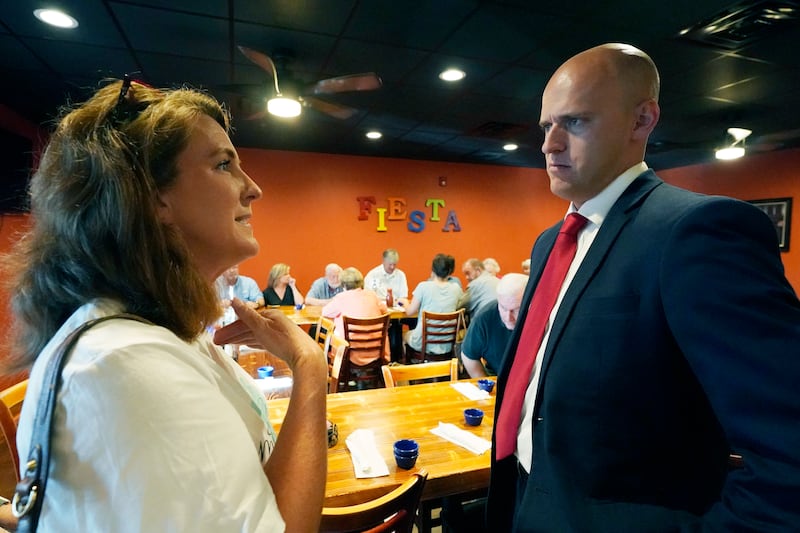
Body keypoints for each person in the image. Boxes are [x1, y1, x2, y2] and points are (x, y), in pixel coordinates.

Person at [487, 43, 800, 531]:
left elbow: (788, 451)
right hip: (527, 500)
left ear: (642, 120)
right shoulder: (551, 242)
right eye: (547, 126)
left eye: (575, 122)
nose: (549, 145)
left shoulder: (697, 231)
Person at [2, 79, 327, 531]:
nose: (253, 189)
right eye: (223, 164)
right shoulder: (125, 362)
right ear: (153, 198)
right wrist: (311, 366)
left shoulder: (166, 334)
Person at [461, 273, 528, 378]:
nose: (508, 317)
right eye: (503, 308)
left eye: (516, 310)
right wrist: (485, 382)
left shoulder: (543, 316)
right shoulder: (484, 317)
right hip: (498, 377)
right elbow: (469, 355)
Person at [400, 254, 462, 360]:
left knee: (405, 335)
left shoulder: (423, 287)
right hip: (447, 344)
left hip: (422, 341)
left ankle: (412, 368)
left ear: (433, 270)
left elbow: (410, 312)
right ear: (450, 271)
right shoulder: (456, 289)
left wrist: (404, 302)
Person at [321, 267, 389, 364]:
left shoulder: (341, 298)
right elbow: (385, 311)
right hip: (376, 350)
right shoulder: (372, 295)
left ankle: (336, 371)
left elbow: (325, 312)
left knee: (334, 335)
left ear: (343, 285)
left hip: (351, 352)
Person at [364, 248, 410, 360]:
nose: (392, 267)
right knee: (392, 327)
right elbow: (368, 296)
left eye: (395, 264)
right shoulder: (373, 275)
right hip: (379, 312)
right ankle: (389, 358)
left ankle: (403, 358)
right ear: (383, 261)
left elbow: (403, 296)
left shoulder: (400, 275)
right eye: (390, 264)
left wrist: (399, 302)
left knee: (410, 321)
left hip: (396, 310)